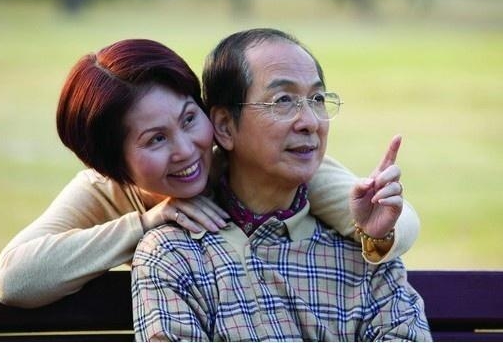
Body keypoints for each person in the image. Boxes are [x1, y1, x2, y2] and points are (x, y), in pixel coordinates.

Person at [0, 38, 419, 309]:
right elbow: (14, 280)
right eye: (155, 139)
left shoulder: (250, 163)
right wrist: (145, 224)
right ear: (111, 162)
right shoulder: (106, 191)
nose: (186, 149)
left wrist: (379, 230)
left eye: (189, 118)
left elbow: (397, 224)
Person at [132, 29, 431, 341]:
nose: (310, 122)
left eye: (317, 99)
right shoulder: (175, 254)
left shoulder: (366, 249)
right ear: (224, 126)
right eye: (283, 100)